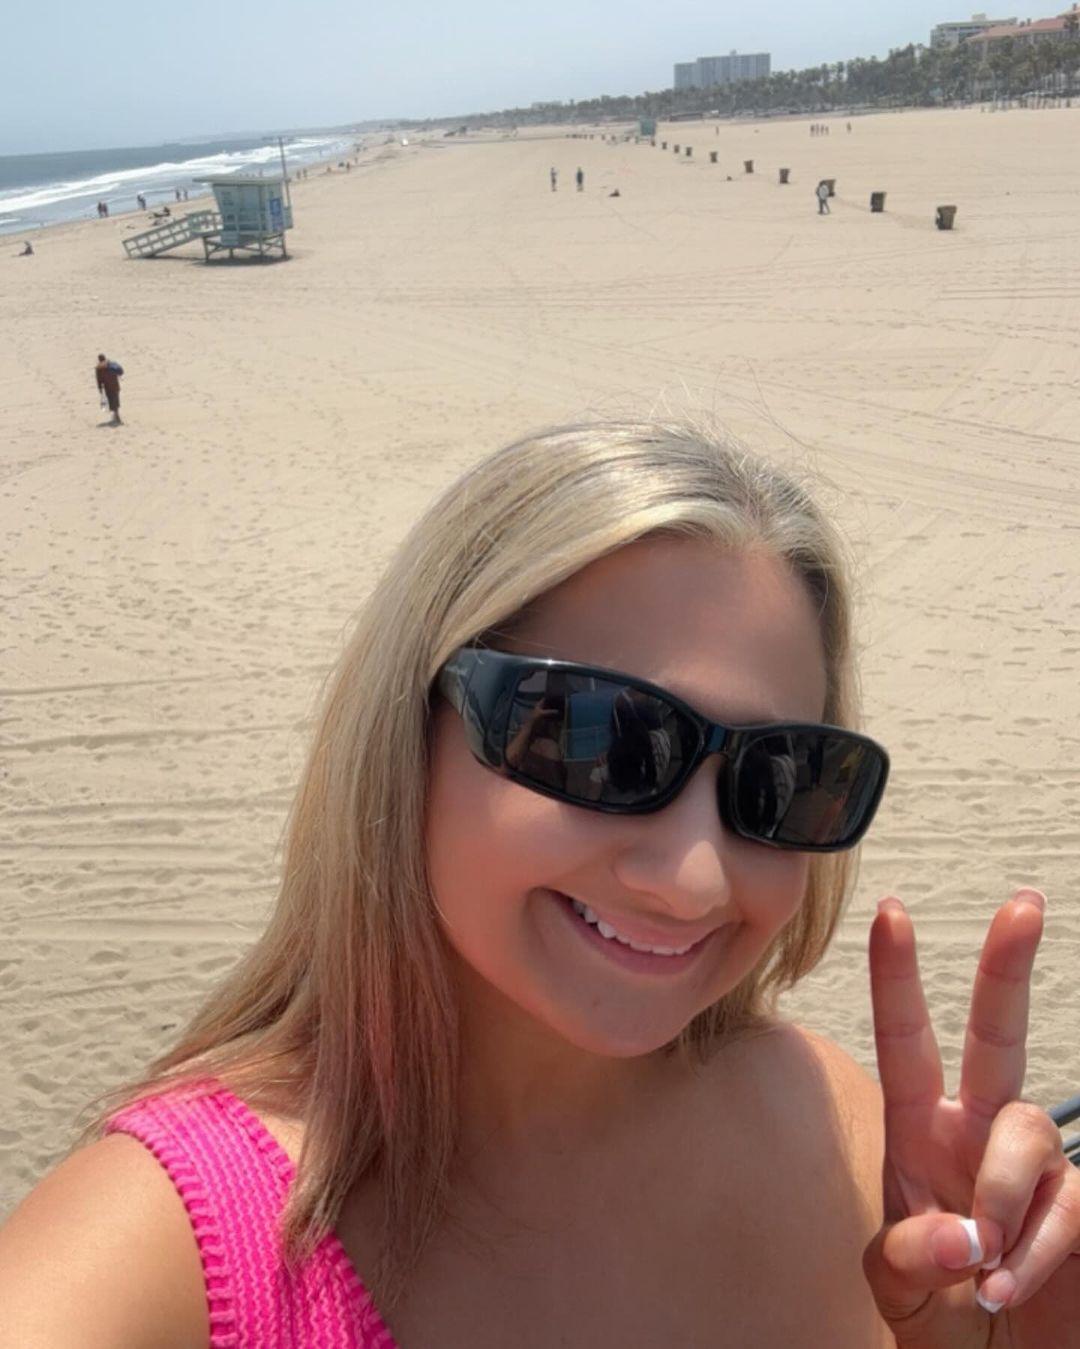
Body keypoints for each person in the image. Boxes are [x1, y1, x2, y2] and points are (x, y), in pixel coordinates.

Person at [0, 422, 1076, 1346]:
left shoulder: (846, 1139)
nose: (695, 875)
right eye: (602, 741)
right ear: (411, 730)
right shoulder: (167, 1248)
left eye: (780, 779)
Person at [95, 352, 123, 425]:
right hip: (116, 386)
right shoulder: (111, 364)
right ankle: (117, 416)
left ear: (99, 359)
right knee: (116, 401)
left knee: (112, 402)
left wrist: (100, 388)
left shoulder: (99, 368)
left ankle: (117, 417)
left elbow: (99, 380)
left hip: (108, 388)